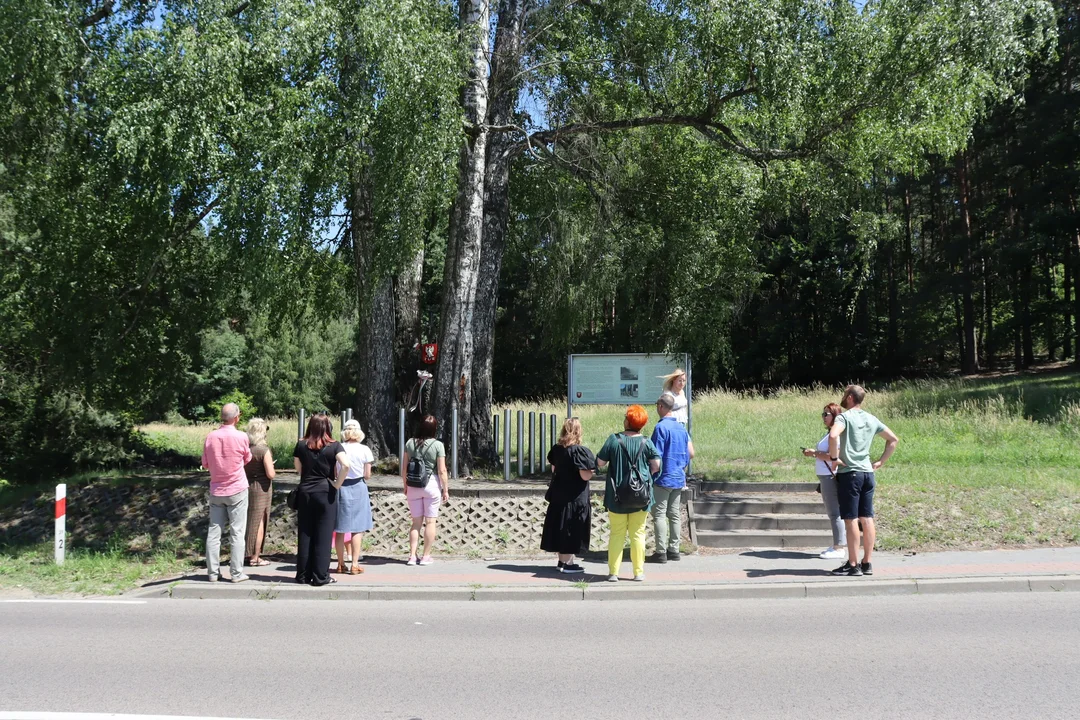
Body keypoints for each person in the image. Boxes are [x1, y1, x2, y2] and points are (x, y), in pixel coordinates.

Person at [828, 385, 899, 577]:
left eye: (844, 394)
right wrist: (880, 462)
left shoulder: (844, 417)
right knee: (867, 518)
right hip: (868, 473)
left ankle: (852, 564)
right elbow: (893, 439)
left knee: (850, 519)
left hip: (850, 474)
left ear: (850, 397)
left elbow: (833, 435)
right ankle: (867, 563)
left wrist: (834, 460)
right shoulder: (871, 418)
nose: (843, 397)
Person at [597, 405, 661, 582]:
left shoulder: (613, 440)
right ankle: (638, 572)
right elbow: (656, 466)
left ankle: (613, 573)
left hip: (616, 497)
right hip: (641, 497)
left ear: (628, 421)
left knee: (617, 534)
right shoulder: (646, 442)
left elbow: (600, 462)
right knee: (638, 534)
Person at [293, 414, 350, 586]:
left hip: (305, 493)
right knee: (323, 536)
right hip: (325, 492)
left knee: (305, 534)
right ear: (328, 427)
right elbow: (346, 465)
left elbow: (298, 469)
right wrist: (337, 484)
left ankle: (303, 575)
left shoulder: (301, 444)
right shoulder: (335, 446)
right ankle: (320, 576)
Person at [200, 403, 252, 583]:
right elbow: (247, 458)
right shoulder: (241, 436)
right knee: (237, 532)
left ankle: (213, 573)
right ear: (237, 417)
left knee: (214, 532)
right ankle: (236, 573)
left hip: (216, 489)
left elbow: (205, 463)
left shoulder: (210, 437)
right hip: (237, 489)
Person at [540, 418, 596, 574]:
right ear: (578, 431)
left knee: (559, 528)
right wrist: (591, 471)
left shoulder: (557, 450)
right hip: (575, 497)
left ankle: (561, 561)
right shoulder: (579, 451)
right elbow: (585, 476)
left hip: (558, 495)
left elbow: (553, 470)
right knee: (571, 529)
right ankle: (568, 563)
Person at [649, 393, 694, 563]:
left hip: (662, 478)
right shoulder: (681, 428)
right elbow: (690, 453)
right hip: (678, 477)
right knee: (674, 514)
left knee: (659, 514)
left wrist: (652, 473)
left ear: (661, 407)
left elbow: (656, 455)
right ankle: (674, 549)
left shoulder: (660, 428)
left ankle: (661, 552)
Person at [401, 414, 449, 566]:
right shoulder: (438, 445)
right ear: (435, 428)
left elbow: (404, 468)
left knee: (416, 523)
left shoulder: (409, 443)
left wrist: (405, 485)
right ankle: (426, 556)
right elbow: (442, 470)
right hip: (431, 485)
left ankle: (412, 556)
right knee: (430, 522)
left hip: (413, 485)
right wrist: (445, 489)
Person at [801, 403, 846, 560]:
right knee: (833, 512)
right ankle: (837, 544)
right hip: (825, 475)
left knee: (834, 512)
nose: (824, 417)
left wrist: (814, 453)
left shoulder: (836, 435)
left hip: (830, 475)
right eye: (823, 414)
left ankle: (839, 547)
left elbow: (833, 456)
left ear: (835, 416)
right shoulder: (829, 434)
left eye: (827, 414)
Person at [335, 419, 373, 575]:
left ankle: (340, 563)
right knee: (357, 528)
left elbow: (334, 471)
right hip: (358, 486)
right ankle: (355, 564)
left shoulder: (338, 447)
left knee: (340, 528)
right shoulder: (365, 449)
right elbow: (367, 475)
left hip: (341, 485)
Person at [243, 417, 277, 568]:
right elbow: (270, 474)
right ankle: (255, 557)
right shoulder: (263, 450)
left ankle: (246, 553)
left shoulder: (246, 449)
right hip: (262, 488)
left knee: (248, 521)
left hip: (247, 486)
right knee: (259, 522)